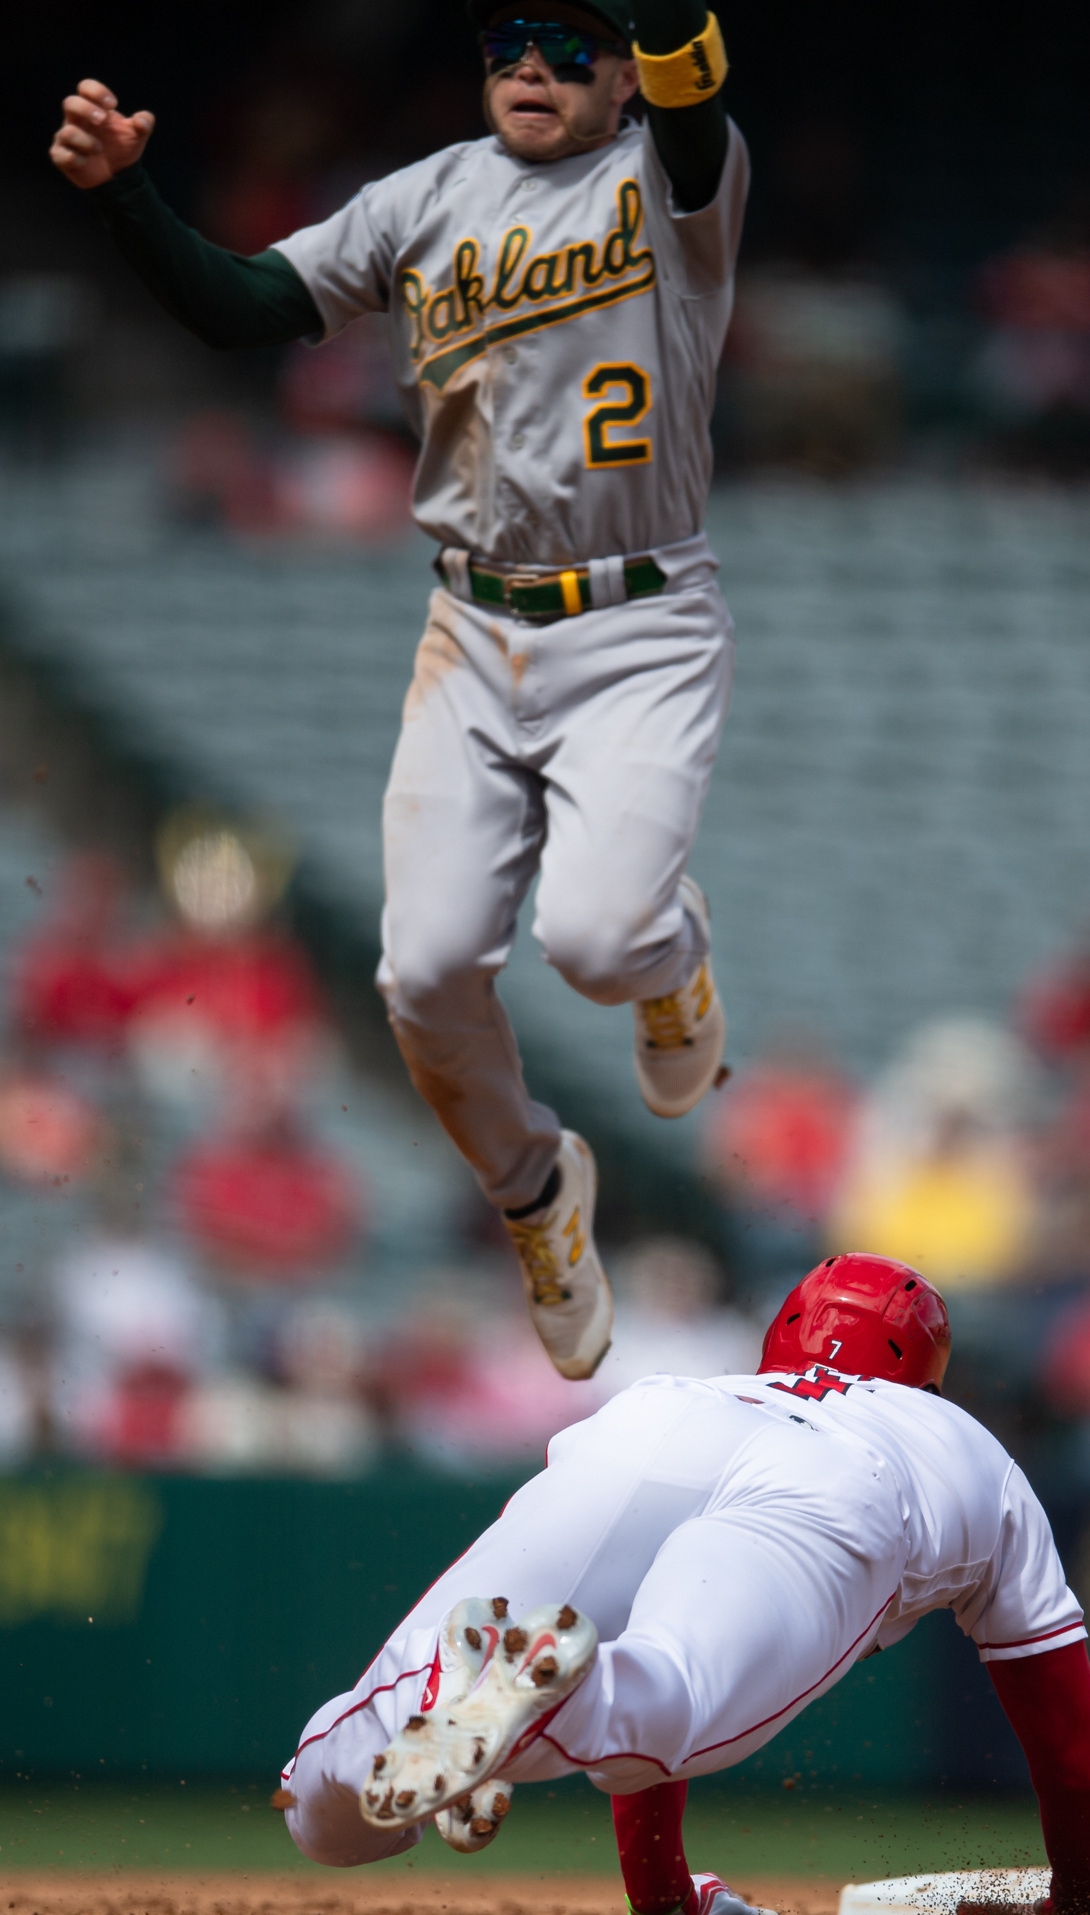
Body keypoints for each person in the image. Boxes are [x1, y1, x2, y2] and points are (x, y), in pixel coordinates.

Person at [51, 0, 747, 1382]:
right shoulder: (423, 197)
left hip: (638, 614)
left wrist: (658, 45)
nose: (533, 71)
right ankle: (538, 1195)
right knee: (422, 975)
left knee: (599, 941)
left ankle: (671, 964)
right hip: (473, 626)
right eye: (510, 47)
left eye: (569, 48)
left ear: (625, 75)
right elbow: (243, 306)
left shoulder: (676, 184)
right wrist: (127, 196)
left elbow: (690, 80)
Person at [276, 1253, 1090, 1915]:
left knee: (338, 1810)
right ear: (927, 1374)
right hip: (833, 1486)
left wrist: (666, 1899)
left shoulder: (702, 1381)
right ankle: (527, 1707)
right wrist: (1087, 1897)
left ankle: (414, 1721)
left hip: (645, 1434)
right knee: (667, 1692)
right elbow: (1069, 1743)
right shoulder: (961, 1442)